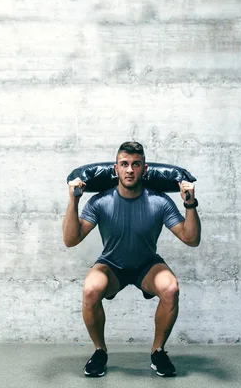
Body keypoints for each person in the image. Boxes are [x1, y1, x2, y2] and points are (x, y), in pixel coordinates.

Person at [62, 141, 201, 378]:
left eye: (136, 164)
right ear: (115, 169)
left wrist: (189, 204)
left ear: (144, 169)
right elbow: (71, 240)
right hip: (112, 265)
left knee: (170, 288)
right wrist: (74, 200)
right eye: (124, 164)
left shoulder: (160, 201)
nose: (129, 170)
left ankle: (158, 352)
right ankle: (99, 352)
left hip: (147, 266)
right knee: (90, 289)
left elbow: (191, 239)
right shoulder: (100, 201)